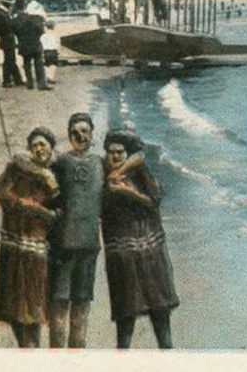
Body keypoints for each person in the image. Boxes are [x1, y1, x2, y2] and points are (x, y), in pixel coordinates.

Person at [101, 130, 178, 349]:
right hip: (121, 258)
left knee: (160, 315)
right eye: (111, 152)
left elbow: (155, 200)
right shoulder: (103, 174)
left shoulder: (140, 172)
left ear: (127, 153)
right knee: (125, 320)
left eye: (119, 152)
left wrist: (128, 191)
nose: (115, 156)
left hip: (150, 255)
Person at [0, 127, 61, 348]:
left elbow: (59, 210)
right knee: (12, 306)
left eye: (43, 145)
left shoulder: (56, 171)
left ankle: (31, 349)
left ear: (51, 147)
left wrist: (39, 210)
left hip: (37, 248)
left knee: (33, 306)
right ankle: (25, 347)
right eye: (34, 146)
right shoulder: (17, 167)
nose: (39, 149)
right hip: (12, 244)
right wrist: (21, 203)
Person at [46, 112, 103, 348]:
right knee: (58, 307)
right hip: (62, 246)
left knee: (81, 310)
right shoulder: (60, 162)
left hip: (89, 247)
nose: (80, 136)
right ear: (69, 136)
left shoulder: (101, 164)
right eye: (75, 133)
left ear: (92, 134)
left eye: (84, 132)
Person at [12, 0, 48, 91]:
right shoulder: (34, 18)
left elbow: (14, 32)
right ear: (25, 7)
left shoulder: (15, 21)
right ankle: (41, 83)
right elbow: (40, 30)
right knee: (38, 64)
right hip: (35, 42)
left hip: (23, 44)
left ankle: (29, 83)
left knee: (27, 64)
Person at [0, 0, 23, 88]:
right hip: (7, 39)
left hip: (7, 39)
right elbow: (7, 27)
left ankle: (17, 79)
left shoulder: (4, 13)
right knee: (8, 60)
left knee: (11, 59)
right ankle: (7, 80)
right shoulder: (2, 15)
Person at [41, 20, 60, 87]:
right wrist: (58, 51)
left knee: (46, 64)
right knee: (53, 65)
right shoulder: (56, 35)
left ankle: (47, 76)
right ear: (53, 26)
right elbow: (58, 43)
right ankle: (51, 77)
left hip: (46, 51)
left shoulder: (43, 36)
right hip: (53, 51)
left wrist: (42, 52)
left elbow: (41, 44)